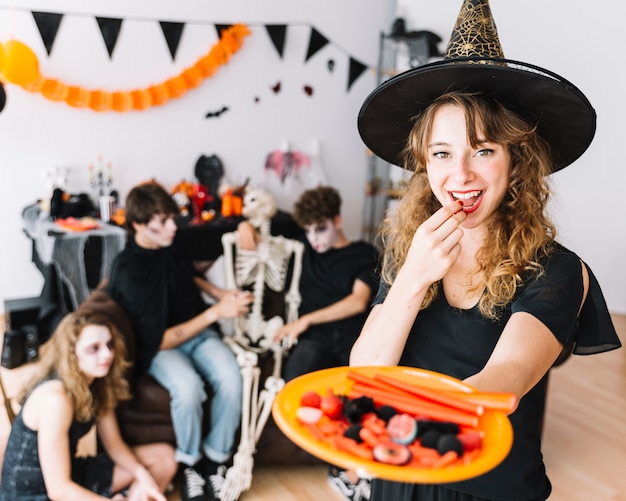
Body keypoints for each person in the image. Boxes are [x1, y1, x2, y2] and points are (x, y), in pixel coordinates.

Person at [350, 1, 622, 501]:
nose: (461, 176)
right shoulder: (412, 256)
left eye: (483, 150)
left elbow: (507, 378)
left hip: (490, 488)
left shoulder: (558, 270)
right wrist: (412, 279)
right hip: (401, 478)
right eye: (442, 153)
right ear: (425, 165)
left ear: (515, 161)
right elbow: (364, 375)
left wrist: (411, 418)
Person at [106, 181, 252, 501]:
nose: (173, 227)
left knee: (232, 377)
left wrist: (219, 292)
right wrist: (217, 312)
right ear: (138, 225)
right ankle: (190, 463)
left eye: (172, 218)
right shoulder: (129, 271)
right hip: (161, 347)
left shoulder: (171, 242)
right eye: (163, 222)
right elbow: (159, 340)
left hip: (199, 335)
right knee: (188, 389)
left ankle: (215, 460)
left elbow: (188, 273)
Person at [239, 185, 379, 500]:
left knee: (361, 397)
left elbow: (358, 301)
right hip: (312, 342)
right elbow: (261, 224)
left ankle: (353, 472)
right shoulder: (303, 245)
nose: (315, 238)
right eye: (309, 231)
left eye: (321, 229)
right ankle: (344, 467)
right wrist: (243, 225)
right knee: (295, 391)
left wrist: (305, 319)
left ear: (337, 220)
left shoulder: (363, 253)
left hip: (351, 338)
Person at [0, 309, 177, 501]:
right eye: (94, 348)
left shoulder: (97, 382)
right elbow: (58, 490)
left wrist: (143, 477)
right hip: (35, 494)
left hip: (71, 472)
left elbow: (114, 445)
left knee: (165, 458)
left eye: (110, 345)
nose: (107, 354)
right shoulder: (56, 399)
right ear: (71, 353)